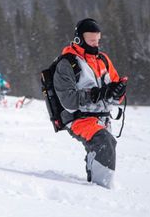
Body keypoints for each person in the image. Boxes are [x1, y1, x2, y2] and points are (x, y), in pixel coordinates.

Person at [53, 18, 127, 188]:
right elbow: (69, 101)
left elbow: (114, 93)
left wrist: (118, 92)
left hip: (102, 118)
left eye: (98, 40)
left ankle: (97, 178)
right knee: (104, 142)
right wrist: (96, 94)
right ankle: (101, 189)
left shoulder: (103, 59)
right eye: (91, 40)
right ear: (79, 38)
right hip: (79, 118)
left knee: (106, 143)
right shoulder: (67, 63)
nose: (96, 44)